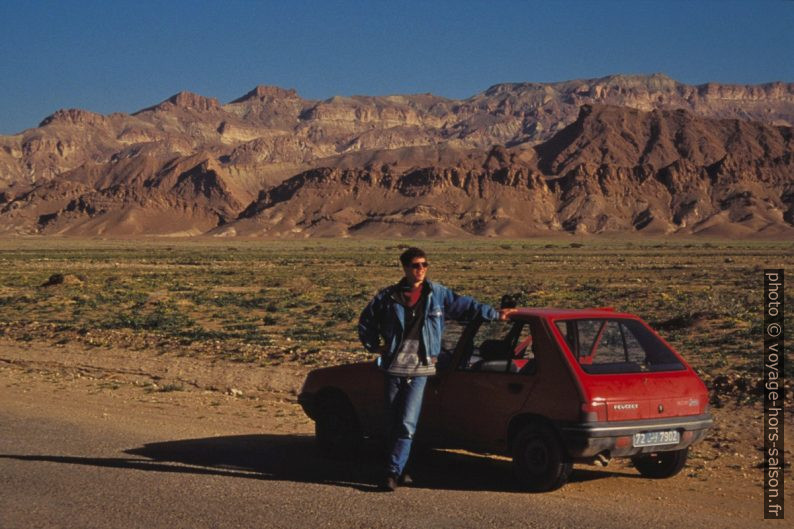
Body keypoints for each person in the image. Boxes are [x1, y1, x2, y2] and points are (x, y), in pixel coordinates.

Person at [358, 247, 515, 491]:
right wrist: (375, 346)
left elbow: (467, 307)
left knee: (407, 423)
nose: (421, 269)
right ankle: (401, 467)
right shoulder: (388, 297)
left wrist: (496, 314)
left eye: (424, 265)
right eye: (415, 265)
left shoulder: (437, 294)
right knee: (392, 422)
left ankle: (391, 472)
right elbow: (366, 320)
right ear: (405, 268)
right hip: (393, 367)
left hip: (421, 368)